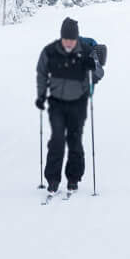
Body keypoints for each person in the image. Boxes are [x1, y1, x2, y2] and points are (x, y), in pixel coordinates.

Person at [34, 17, 105, 198]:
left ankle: (73, 178)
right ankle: (52, 180)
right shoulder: (51, 51)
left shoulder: (87, 51)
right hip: (57, 102)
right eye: (65, 39)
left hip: (78, 102)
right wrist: (41, 95)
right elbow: (42, 72)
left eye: (71, 39)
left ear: (76, 37)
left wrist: (93, 68)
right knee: (57, 139)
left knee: (74, 139)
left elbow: (99, 73)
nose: (68, 43)